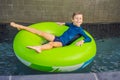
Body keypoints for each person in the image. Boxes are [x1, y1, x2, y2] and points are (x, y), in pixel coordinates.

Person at [10, 12, 91, 53]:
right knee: (41, 33)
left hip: (62, 43)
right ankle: (20, 27)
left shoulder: (80, 30)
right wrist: (63, 23)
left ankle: (39, 48)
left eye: (80, 18)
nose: (78, 20)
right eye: (76, 18)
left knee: (51, 44)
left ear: (82, 20)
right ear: (72, 19)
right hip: (58, 38)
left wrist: (82, 41)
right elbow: (70, 24)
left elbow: (89, 38)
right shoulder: (72, 24)